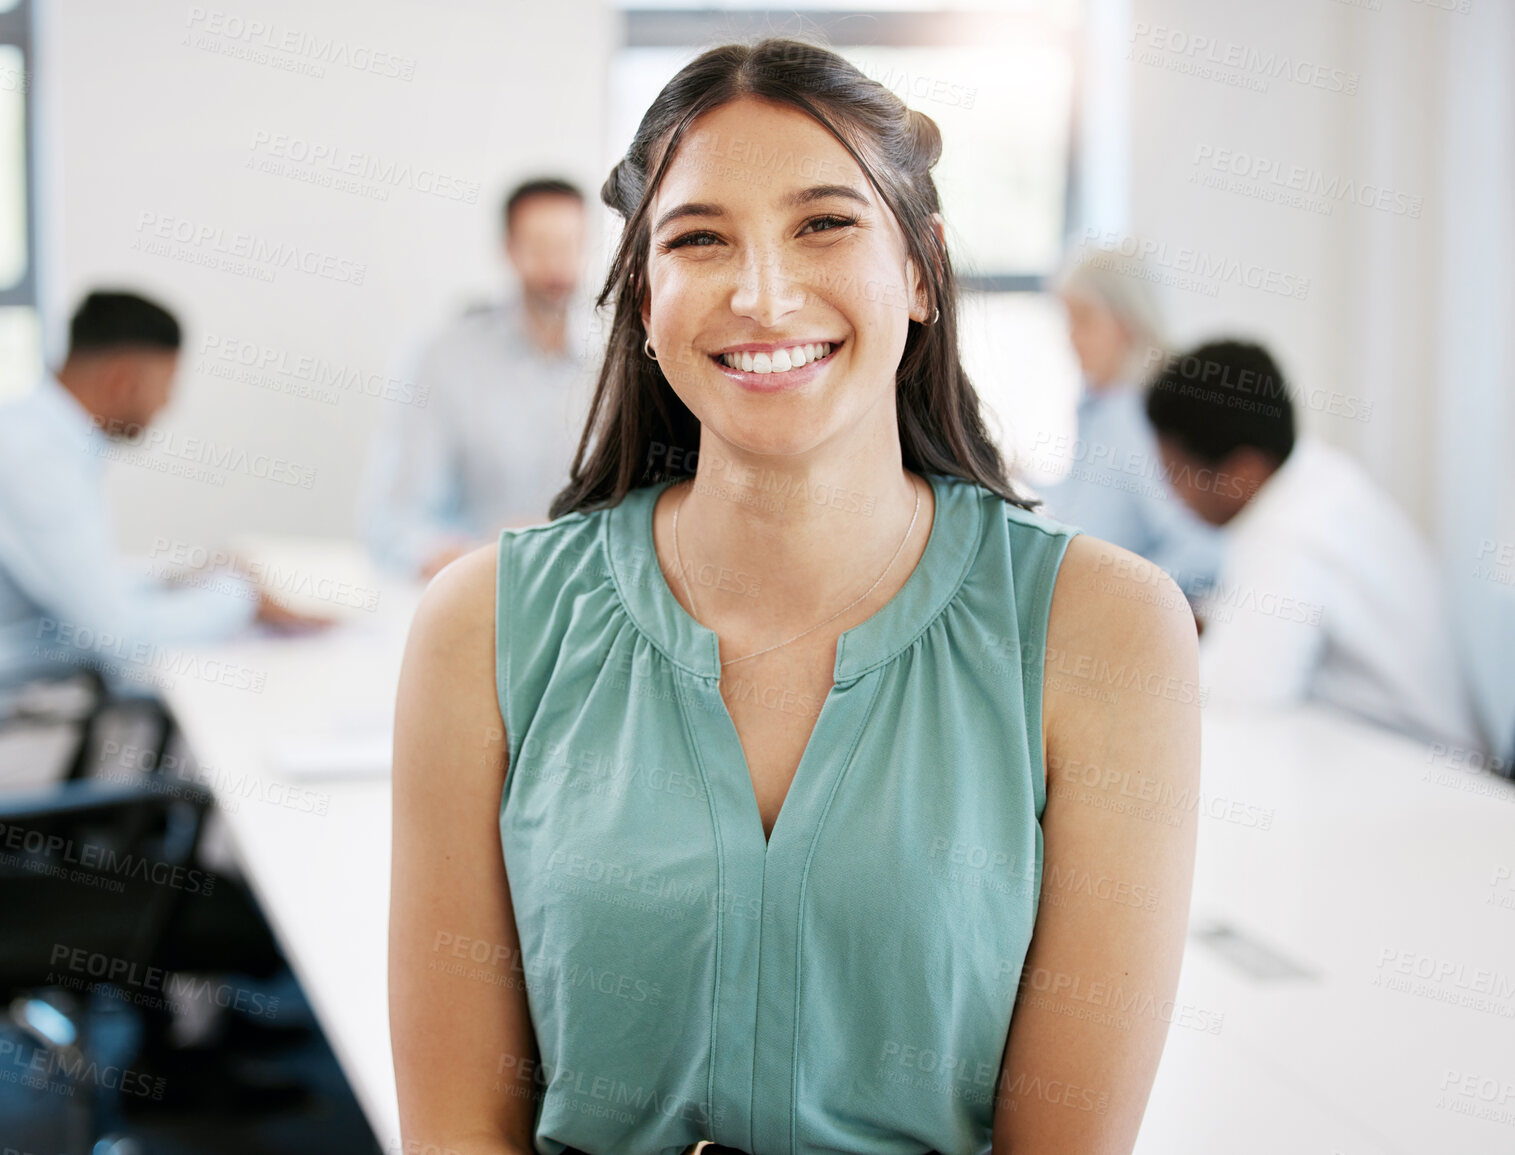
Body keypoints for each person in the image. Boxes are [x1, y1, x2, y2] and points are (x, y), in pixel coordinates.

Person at [390, 41, 1199, 1155]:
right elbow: (457, 1132)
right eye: (698, 239)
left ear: (921, 271)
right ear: (642, 298)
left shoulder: (1104, 630)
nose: (762, 295)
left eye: (824, 224)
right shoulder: (481, 625)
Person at [0, 290, 311, 746]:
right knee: (201, 756)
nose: (165, 405)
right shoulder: (36, 459)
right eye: (166, 385)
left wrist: (176, 579)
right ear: (123, 379)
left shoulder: (32, 432)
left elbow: (85, 588)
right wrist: (240, 597)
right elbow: (122, 641)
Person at [1145, 339, 1484, 752]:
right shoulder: (1316, 478)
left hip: (1418, 759)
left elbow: (1240, 693)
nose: (1170, 491)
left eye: (1175, 471)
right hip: (1386, 743)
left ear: (1244, 471)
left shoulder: (1291, 531)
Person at [360, 177, 593, 579]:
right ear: (508, 250)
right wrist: (465, 559)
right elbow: (394, 522)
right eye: (539, 245)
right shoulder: (443, 359)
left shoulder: (628, 359)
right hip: (476, 593)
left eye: (569, 244)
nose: (556, 264)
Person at [1036, 246, 1223, 600]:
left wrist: (1123, 604)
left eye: (1084, 320)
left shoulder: (1142, 416)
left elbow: (1200, 552)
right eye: (1068, 320)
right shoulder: (1100, 409)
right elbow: (1090, 513)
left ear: (1128, 321)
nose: (1071, 338)